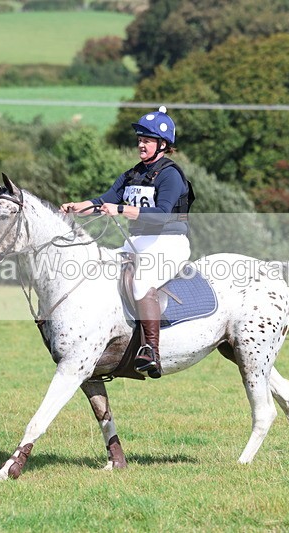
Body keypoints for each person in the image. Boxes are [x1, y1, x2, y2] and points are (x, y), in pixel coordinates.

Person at [60, 106, 193, 379]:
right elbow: (102, 201)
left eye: (147, 139)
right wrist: (77, 207)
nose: (141, 144)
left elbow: (160, 216)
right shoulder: (133, 174)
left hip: (169, 242)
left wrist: (119, 210)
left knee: (142, 281)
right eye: (140, 139)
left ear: (163, 145)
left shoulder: (171, 175)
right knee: (101, 268)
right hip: (139, 242)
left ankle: (151, 351)